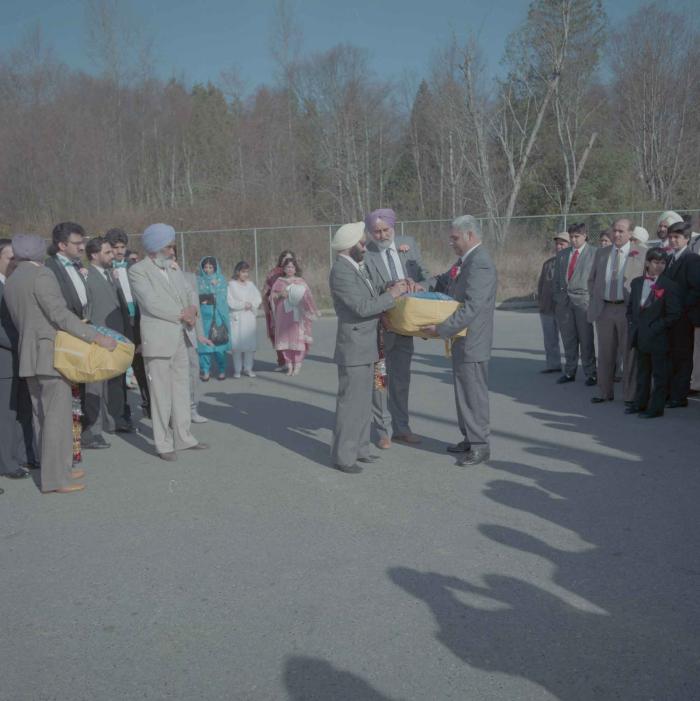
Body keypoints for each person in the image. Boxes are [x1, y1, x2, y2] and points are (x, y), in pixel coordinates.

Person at [4, 234, 117, 494]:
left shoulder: (13, 279)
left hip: (30, 355)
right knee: (57, 419)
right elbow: (59, 314)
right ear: (39, 251)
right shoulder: (41, 275)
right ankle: (56, 479)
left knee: (40, 418)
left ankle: (56, 470)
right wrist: (97, 337)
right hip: (50, 354)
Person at [329, 222, 407, 473]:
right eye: (362, 243)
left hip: (367, 344)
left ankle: (360, 449)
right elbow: (362, 307)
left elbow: (372, 295)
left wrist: (392, 288)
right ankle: (344, 457)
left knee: (363, 403)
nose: (365, 246)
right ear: (350, 246)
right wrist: (391, 296)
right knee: (351, 404)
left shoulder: (357, 267)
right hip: (354, 347)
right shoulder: (341, 271)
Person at [421, 215, 497, 467]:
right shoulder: (466, 261)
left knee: (474, 393)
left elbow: (472, 307)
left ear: (470, 236)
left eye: (455, 238)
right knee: (464, 392)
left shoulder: (480, 263)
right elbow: (444, 280)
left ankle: (480, 445)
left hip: (472, 340)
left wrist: (441, 329)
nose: (450, 242)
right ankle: (470, 437)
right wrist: (421, 286)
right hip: (461, 340)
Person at [128, 224, 209, 461]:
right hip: (158, 341)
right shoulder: (138, 271)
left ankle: (183, 436)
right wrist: (181, 314)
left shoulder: (172, 268)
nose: (173, 250)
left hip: (180, 338)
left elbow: (188, 290)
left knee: (181, 391)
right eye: (169, 246)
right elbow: (151, 303)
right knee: (160, 394)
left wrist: (193, 308)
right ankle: (163, 443)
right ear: (156, 248)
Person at [363, 208, 429, 449]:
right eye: (376, 232)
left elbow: (427, 277)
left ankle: (402, 428)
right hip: (380, 327)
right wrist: (391, 287)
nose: (381, 236)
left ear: (394, 227)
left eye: (385, 230)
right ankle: (383, 430)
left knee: (401, 380)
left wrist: (418, 285)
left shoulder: (408, 244)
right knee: (380, 379)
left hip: (405, 327)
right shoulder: (366, 253)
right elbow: (367, 291)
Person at [587, 218, 646, 408]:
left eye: (621, 231)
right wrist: (597, 299)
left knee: (629, 353)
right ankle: (604, 392)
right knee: (605, 353)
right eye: (615, 231)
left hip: (627, 310)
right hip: (604, 309)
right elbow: (592, 279)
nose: (617, 234)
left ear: (630, 233)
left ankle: (629, 396)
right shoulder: (602, 253)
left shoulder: (641, 253)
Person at [45, 222, 91, 462]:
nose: (82, 247)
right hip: (65, 336)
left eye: (83, 242)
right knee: (66, 397)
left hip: (82, 332)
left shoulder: (77, 265)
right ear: (62, 245)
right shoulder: (49, 269)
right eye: (77, 243)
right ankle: (65, 454)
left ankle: (75, 448)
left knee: (77, 395)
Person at [82, 237, 133, 449]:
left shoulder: (111, 275)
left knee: (115, 383)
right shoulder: (86, 277)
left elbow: (121, 306)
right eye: (108, 252)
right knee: (94, 386)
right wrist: (94, 336)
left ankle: (115, 420)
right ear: (94, 255)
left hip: (117, 338)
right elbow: (86, 312)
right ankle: (92, 432)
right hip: (99, 340)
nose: (113, 255)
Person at [626, 248, 681, 418]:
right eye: (656, 262)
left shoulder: (670, 286)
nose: (659, 266)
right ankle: (640, 403)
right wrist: (634, 326)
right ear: (648, 263)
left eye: (663, 263)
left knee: (659, 374)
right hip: (641, 336)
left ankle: (656, 408)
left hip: (659, 338)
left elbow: (674, 314)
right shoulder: (636, 283)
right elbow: (631, 309)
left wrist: (655, 328)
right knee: (642, 372)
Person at [105, 227, 150, 419]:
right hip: (117, 324)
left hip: (137, 323)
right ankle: (121, 413)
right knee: (119, 371)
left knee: (143, 368)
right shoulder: (104, 271)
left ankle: (150, 406)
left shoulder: (134, 268)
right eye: (116, 247)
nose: (120, 251)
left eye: (123, 246)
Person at [0, 239, 32, 480]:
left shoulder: (14, 284)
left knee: (22, 409)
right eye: (10, 258)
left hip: (21, 356)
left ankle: (22, 456)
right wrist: (21, 343)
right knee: (6, 415)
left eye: (16, 258)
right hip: (6, 358)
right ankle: (6, 463)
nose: (14, 263)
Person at [660, 220, 700, 408]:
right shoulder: (669, 258)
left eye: (677, 237)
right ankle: (669, 392)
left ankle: (679, 395)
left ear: (687, 238)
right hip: (670, 317)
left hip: (683, 317)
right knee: (670, 355)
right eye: (671, 237)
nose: (673, 241)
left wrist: (680, 308)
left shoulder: (692, 259)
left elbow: (695, 288)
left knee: (682, 357)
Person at [553, 223, 597, 386]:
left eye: (576, 236)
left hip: (583, 302)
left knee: (586, 339)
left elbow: (597, 279)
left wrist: (591, 299)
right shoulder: (563, 254)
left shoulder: (594, 253)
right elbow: (557, 278)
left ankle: (591, 373)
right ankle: (570, 371)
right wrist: (558, 297)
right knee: (568, 339)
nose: (573, 239)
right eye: (571, 236)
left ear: (585, 236)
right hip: (564, 303)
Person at [270, 258, 319, 376]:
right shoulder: (279, 281)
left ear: (295, 268)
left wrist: (309, 309)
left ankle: (297, 364)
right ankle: (289, 365)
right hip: (283, 314)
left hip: (297, 314)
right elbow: (272, 296)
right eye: (287, 267)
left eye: (292, 267)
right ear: (284, 269)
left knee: (297, 338)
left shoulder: (301, 281)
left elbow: (308, 296)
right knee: (285, 339)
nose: (290, 269)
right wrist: (280, 295)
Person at [537, 233, 569, 374]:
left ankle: (571, 367)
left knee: (569, 340)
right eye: (557, 243)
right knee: (550, 339)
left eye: (562, 243)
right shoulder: (548, 263)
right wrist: (541, 302)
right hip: (547, 307)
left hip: (565, 308)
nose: (559, 246)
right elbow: (541, 284)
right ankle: (553, 365)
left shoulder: (573, 263)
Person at [197, 256, 231, 381]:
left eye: (210, 267)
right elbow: (196, 297)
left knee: (219, 344)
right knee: (204, 347)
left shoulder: (221, 279)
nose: (208, 270)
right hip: (203, 317)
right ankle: (205, 370)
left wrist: (213, 288)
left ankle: (222, 369)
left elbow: (223, 297)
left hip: (217, 317)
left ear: (215, 268)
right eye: (205, 267)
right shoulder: (198, 280)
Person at [227, 261, 262, 378]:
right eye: (243, 272)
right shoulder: (231, 285)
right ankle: (237, 370)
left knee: (249, 346)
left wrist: (251, 305)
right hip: (237, 317)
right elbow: (230, 301)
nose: (245, 274)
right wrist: (243, 305)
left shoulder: (251, 285)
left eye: (247, 272)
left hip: (249, 317)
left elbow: (258, 298)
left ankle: (248, 368)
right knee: (237, 346)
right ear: (238, 272)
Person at [263, 250, 296, 371]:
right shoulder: (273, 273)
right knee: (277, 335)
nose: (286, 261)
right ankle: (282, 361)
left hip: (292, 309)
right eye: (284, 258)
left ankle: (293, 361)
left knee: (292, 334)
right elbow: (266, 290)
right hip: (276, 308)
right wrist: (270, 300)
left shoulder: (295, 272)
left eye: (290, 258)